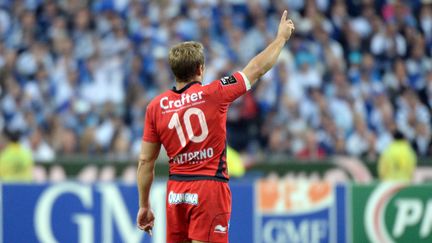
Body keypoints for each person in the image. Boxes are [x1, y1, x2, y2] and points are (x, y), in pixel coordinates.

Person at [136, 11, 295, 243]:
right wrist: (281, 39)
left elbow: (145, 161)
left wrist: (144, 206)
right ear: (200, 69)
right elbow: (256, 69)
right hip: (209, 188)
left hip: (176, 192)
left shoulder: (156, 107)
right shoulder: (214, 93)